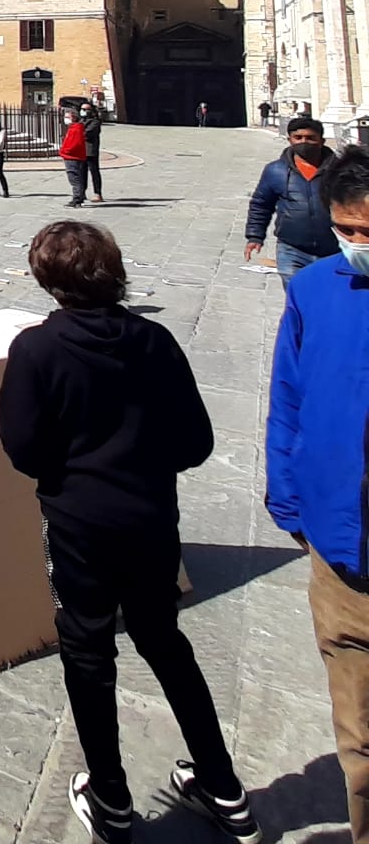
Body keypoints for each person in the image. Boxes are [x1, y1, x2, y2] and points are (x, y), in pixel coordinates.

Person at [0, 221, 258, 844]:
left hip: (78, 525)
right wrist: (141, 458)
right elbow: (196, 441)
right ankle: (225, 788)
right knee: (165, 640)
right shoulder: (156, 341)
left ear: (46, 281)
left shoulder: (37, 350)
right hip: (149, 520)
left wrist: (70, 473)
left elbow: (21, 446)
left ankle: (110, 800)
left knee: (88, 653)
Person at [267, 144, 369, 842]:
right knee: (358, 738)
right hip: (338, 539)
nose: (359, 244)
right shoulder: (313, 289)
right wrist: (289, 498)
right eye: (348, 230)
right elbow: (288, 400)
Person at [245, 115, 340, 284]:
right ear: (290, 140)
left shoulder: (341, 170)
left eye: (310, 138)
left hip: (335, 249)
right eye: (298, 138)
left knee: (331, 300)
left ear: (321, 141)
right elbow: (261, 205)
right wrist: (255, 236)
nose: (304, 142)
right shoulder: (276, 171)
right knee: (297, 299)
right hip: (292, 249)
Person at [60, 110, 89, 208]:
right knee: (76, 177)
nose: (66, 119)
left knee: (74, 177)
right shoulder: (74, 128)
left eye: (68, 117)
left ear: (73, 118)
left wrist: (64, 151)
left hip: (73, 157)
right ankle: (79, 197)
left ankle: (77, 198)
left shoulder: (76, 129)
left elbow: (74, 144)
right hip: (73, 156)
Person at [80, 104, 104, 202]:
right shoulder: (81, 121)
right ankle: (81, 192)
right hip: (81, 150)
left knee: (94, 172)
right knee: (81, 172)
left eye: (85, 109)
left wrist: (78, 133)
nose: (83, 111)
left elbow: (86, 134)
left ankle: (97, 193)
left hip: (90, 150)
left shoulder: (95, 122)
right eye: (81, 109)